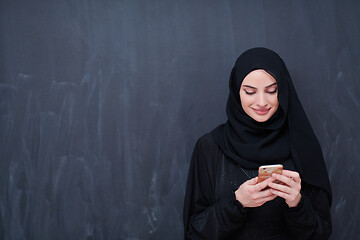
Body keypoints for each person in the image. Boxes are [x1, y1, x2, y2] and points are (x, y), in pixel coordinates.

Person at [183, 47, 332, 240]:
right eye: (250, 92)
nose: (262, 102)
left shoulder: (304, 146)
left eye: (271, 91)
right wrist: (237, 203)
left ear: (283, 91)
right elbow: (194, 232)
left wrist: (297, 204)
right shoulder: (210, 147)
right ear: (237, 92)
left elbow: (321, 234)